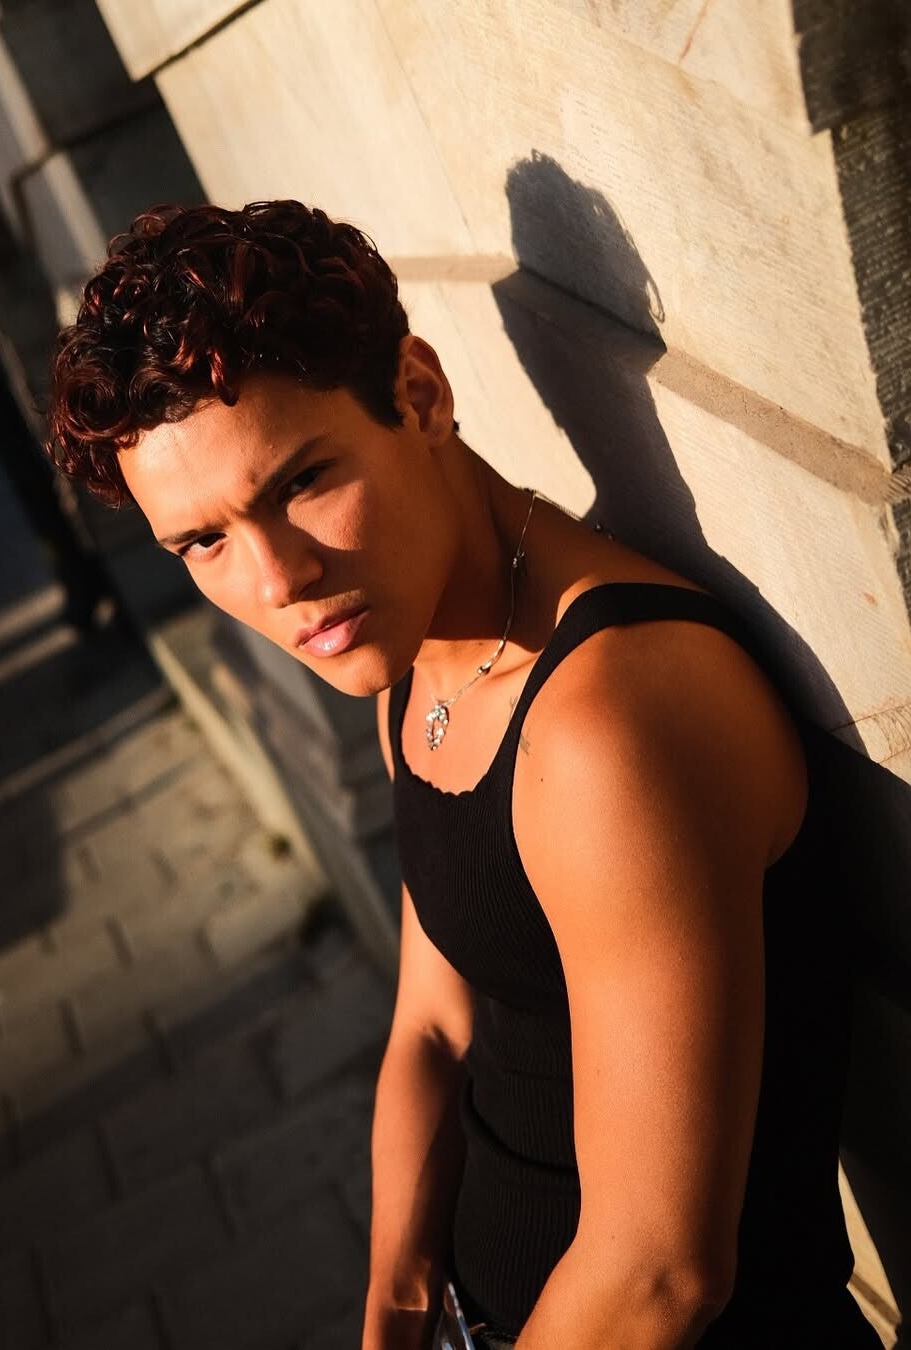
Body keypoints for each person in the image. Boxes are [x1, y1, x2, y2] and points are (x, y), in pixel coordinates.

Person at [45, 200, 881, 1350]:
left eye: (301, 483)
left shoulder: (607, 724)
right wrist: (393, 1311)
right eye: (205, 542)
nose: (278, 580)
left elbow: (660, 1274)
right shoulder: (411, 648)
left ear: (422, 395)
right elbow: (436, 1028)